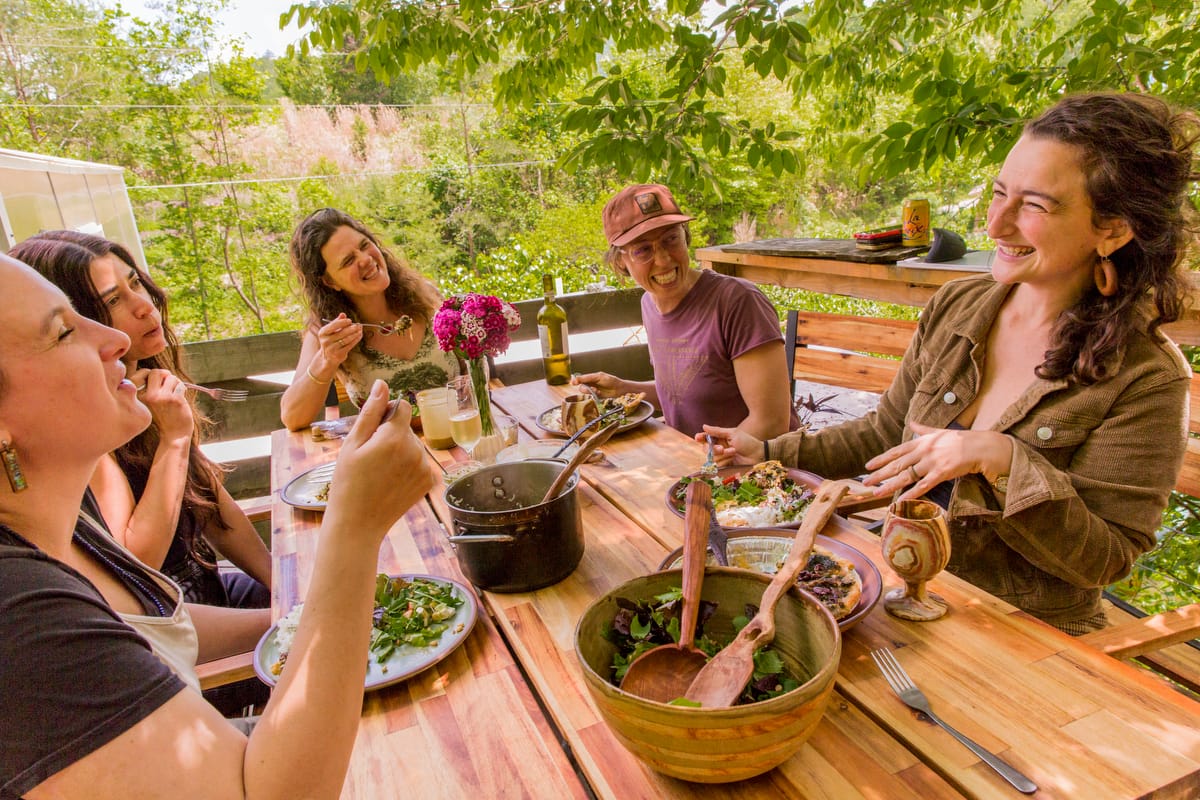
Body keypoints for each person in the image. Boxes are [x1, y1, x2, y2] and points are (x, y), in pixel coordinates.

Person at [704, 92, 1197, 635]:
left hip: (1024, 636)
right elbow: (887, 433)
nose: (996, 226)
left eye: (1034, 205)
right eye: (999, 194)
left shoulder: (1146, 376)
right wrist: (769, 451)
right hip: (901, 594)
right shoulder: (959, 306)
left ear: (1113, 229)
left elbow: (1105, 558)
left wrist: (1006, 459)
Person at [0, 251, 435, 798]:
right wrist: (354, 532)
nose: (113, 339)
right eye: (64, 331)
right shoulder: (17, 619)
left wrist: (296, 614)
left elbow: (162, 625)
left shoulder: (63, 530)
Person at [10, 231, 272, 610]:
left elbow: (209, 502)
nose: (145, 306)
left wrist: (283, 586)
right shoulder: (87, 433)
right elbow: (137, 563)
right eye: (114, 300)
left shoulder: (147, 386)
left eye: (135, 283)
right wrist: (175, 440)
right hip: (174, 622)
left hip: (213, 592)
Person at [572, 184, 798, 440]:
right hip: (693, 459)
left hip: (756, 469)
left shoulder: (738, 302)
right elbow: (684, 394)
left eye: (671, 239)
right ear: (621, 262)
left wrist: (703, 467)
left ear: (685, 236)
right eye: (643, 249)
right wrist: (623, 389)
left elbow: (771, 423)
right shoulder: (649, 303)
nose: (664, 259)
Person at [281, 208, 459, 430]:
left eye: (365, 245)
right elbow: (292, 417)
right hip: (393, 454)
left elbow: (471, 371)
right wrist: (327, 361)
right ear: (329, 281)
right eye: (348, 261)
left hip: (459, 442)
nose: (365, 259)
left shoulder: (427, 298)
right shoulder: (326, 331)